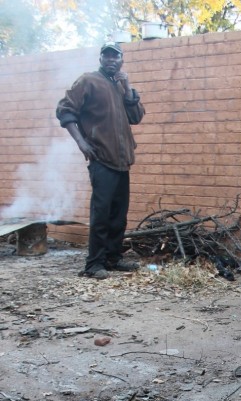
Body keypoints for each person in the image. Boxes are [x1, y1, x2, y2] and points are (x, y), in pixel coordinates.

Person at [56, 43, 145, 280]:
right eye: (107, 55)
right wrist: (81, 142)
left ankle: (113, 259)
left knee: (119, 215)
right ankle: (94, 264)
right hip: (101, 159)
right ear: (100, 59)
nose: (111, 59)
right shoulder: (89, 81)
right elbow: (65, 110)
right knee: (101, 214)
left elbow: (136, 117)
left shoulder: (121, 86)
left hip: (122, 161)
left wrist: (127, 89)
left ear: (121, 61)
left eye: (115, 56)